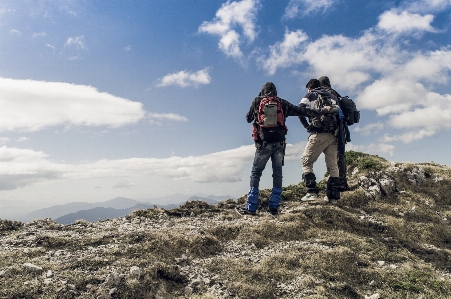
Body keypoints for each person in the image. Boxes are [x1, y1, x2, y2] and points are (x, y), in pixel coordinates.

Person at [242, 82, 327, 215]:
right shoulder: (282, 103)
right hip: (279, 144)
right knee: (277, 173)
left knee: (256, 173)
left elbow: (248, 119)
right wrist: (321, 111)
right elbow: (302, 111)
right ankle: (274, 206)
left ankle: (251, 207)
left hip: (263, 144)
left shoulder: (258, 101)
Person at [298, 79, 341, 204]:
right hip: (333, 135)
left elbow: (300, 110)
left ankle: (311, 192)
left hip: (318, 134)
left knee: (306, 162)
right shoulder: (333, 97)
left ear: (310, 88)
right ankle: (333, 197)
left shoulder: (310, 95)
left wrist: (307, 126)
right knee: (333, 165)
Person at [318, 76, 350, 192]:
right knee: (340, 155)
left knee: (333, 158)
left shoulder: (323, 94)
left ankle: (336, 184)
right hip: (340, 129)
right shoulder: (335, 93)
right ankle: (342, 183)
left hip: (329, 131)